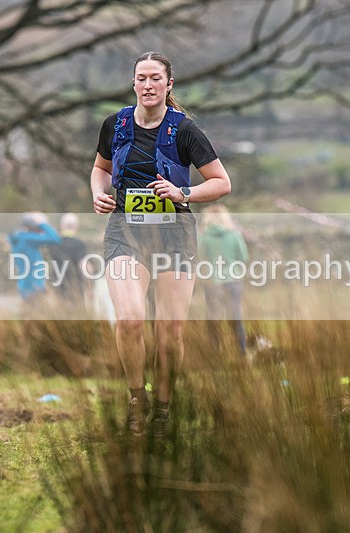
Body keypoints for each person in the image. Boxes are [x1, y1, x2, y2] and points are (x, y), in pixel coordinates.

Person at [91, 51, 231, 438]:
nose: (148, 85)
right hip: (125, 231)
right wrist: (98, 194)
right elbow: (101, 169)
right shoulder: (115, 124)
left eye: (156, 78)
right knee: (132, 319)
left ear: (169, 85)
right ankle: (138, 400)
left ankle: (164, 408)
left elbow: (221, 182)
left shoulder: (183, 130)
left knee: (170, 330)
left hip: (174, 232)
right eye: (141, 78)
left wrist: (182, 191)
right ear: (133, 83)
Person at [199, 204, 249, 356]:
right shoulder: (234, 235)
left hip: (213, 283)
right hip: (233, 280)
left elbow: (202, 259)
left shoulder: (204, 236)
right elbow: (244, 257)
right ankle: (241, 352)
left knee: (213, 320)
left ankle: (215, 353)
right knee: (235, 317)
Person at [8, 212, 61, 302]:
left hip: (24, 284)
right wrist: (42, 223)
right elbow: (55, 238)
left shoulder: (19, 238)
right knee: (38, 314)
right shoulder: (29, 239)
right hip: (35, 285)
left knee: (28, 313)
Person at [47, 213, 90, 309]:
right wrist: (90, 286)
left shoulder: (53, 243)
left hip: (57, 285)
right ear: (76, 226)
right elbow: (84, 267)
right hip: (77, 287)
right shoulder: (80, 244)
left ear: (62, 225)